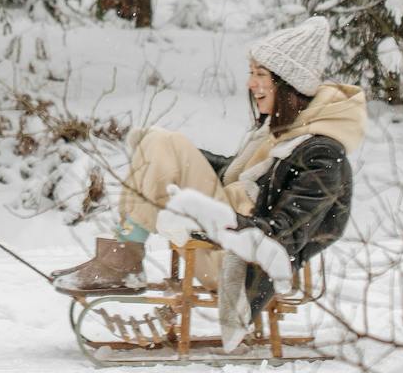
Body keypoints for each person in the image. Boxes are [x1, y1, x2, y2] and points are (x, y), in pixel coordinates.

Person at [50, 16, 365, 317]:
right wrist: (176, 157)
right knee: (159, 142)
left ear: (286, 84)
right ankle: (121, 257)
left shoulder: (321, 156)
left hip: (239, 266)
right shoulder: (280, 134)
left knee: (162, 143)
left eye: (260, 74)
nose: (250, 83)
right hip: (223, 243)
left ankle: (122, 261)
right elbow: (233, 175)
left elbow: (282, 238)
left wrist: (215, 221)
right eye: (251, 72)